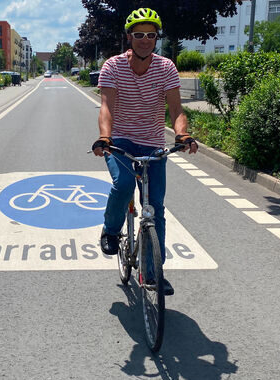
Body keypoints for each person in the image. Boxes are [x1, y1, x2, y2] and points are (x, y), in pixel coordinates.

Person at [91, 8, 198, 295]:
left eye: (151, 35)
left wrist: (182, 134)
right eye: (139, 35)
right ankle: (111, 230)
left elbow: (175, 110)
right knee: (124, 185)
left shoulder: (166, 68)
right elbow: (107, 107)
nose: (145, 40)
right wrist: (105, 138)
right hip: (120, 142)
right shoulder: (113, 66)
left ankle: (153, 274)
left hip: (152, 144)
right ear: (129, 37)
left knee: (155, 209)